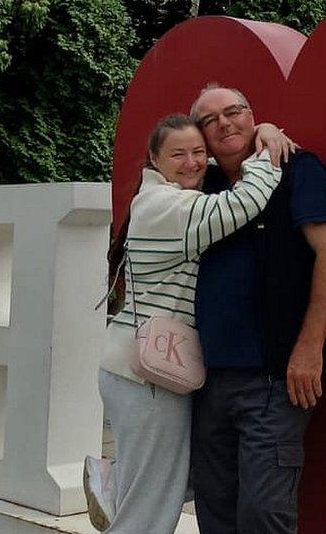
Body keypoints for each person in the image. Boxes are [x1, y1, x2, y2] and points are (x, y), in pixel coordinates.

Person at [84, 113, 295, 533]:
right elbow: (244, 203)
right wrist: (267, 152)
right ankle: (117, 479)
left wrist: (263, 130)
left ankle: (115, 477)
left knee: (170, 479)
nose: (193, 162)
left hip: (141, 368)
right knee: (150, 512)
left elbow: (219, 166)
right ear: (154, 160)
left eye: (199, 152)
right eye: (178, 154)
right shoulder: (171, 207)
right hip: (148, 376)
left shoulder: (159, 196)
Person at [189, 85, 326, 533]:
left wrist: (310, 347)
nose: (225, 123)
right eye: (210, 120)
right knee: (215, 511)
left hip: (274, 379)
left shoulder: (296, 169)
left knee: (264, 513)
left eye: (234, 112)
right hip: (205, 383)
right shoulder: (195, 187)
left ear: (253, 115)